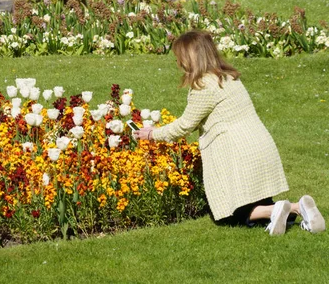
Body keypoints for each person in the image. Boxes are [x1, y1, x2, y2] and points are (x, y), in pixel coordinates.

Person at [133, 30, 325, 235]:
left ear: (190, 58)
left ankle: (277, 210)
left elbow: (184, 126)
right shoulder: (228, 76)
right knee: (258, 202)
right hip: (260, 144)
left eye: (179, 57)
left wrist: (152, 134)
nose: (178, 62)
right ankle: (297, 208)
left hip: (238, 153)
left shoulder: (203, 85)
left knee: (236, 212)